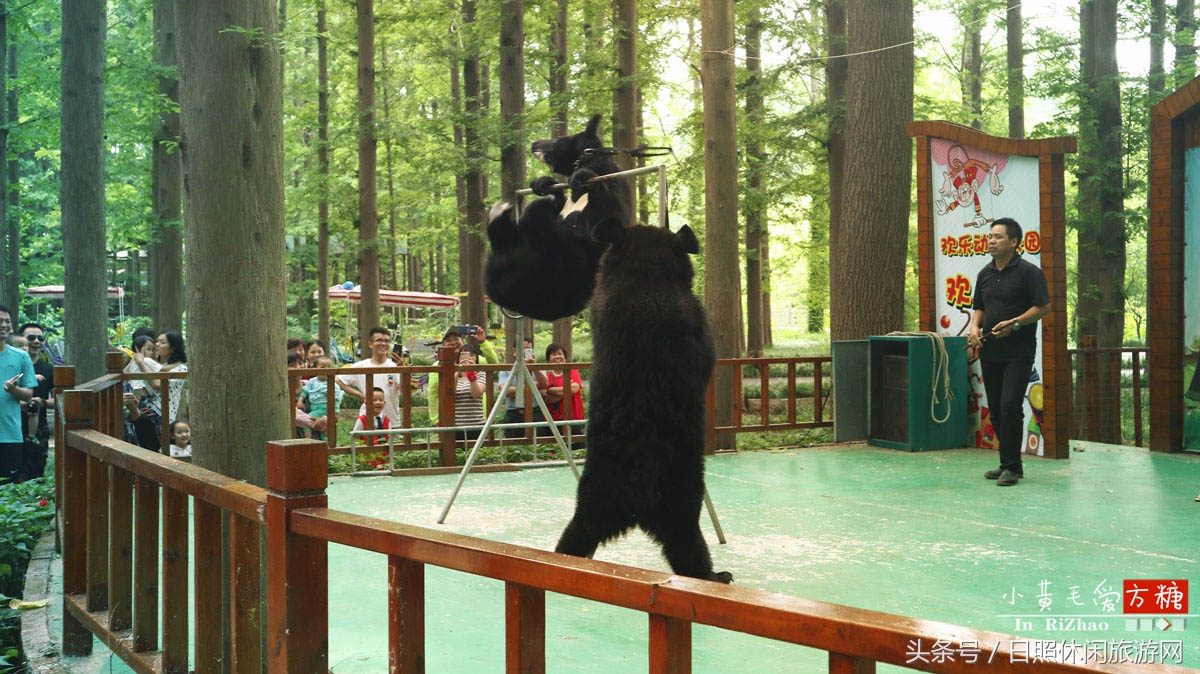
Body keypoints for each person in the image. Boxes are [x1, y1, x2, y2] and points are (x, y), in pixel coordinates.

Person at [967, 218, 1050, 487]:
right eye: (990, 236)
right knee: (996, 411)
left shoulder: (1029, 273)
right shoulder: (984, 274)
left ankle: (1011, 467)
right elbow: (979, 307)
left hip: (1019, 352)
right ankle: (1010, 463)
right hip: (991, 350)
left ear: (1014, 242)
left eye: (998, 237)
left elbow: (1043, 307)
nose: (991, 241)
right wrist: (974, 327)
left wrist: (1015, 323)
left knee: (1010, 406)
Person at [426, 324, 499, 428]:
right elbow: (433, 394)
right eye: (448, 340)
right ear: (443, 345)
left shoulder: (477, 360)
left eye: (456, 339)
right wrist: (437, 419)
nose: (453, 342)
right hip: (450, 419)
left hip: (479, 419)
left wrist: (483, 342)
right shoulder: (438, 365)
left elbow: (494, 365)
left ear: (462, 341)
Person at [336, 327, 404, 424]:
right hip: (367, 421)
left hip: (392, 421)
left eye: (387, 341)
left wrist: (402, 368)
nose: (383, 344)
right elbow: (337, 380)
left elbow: (404, 391)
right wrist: (359, 394)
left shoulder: (395, 366)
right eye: (379, 340)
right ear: (370, 344)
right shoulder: (361, 366)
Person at [0, 304, 36, 483]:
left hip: (10, 435)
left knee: (8, 488)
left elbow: (28, 394)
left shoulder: (21, 356)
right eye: (0, 321)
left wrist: (14, 390)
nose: (4, 325)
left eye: (7, 321)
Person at [17, 323, 54, 479]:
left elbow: (59, 400)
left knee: (36, 475)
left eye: (40, 338)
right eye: (31, 338)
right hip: (11, 427)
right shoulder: (11, 366)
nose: (36, 341)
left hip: (39, 429)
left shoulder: (48, 369)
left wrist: (42, 402)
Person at [498, 337, 548, 439]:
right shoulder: (506, 369)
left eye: (528, 349)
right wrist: (532, 386)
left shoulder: (538, 367)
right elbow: (505, 391)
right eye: (522, 349)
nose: (525, 352)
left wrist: (534, 368)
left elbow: (544, 384)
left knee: (538, 443)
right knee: (512, 444)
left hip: (535, 411)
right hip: (513, 412)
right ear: (514, 351)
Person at [126, 334, 164, 452]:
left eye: (153, 350)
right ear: (138, 350)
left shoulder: (136, 363)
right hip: (142, 400)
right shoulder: (146, 361)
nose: (152, 353)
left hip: (137, 400)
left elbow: (124, 374)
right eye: (148, 349)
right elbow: (163, 372)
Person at [543, 343, 584, 447]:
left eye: (560, 354)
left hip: (574, 417)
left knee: (576, 447)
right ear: (548, 359)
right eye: (553, 354)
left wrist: (551, 390)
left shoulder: (572, 371)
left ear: (565, 358)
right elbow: (545, 398)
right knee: (555, 449)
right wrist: (566, 390)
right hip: (554, 421)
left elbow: (574, 389)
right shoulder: (547, 377)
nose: (557, 357)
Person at [301, 355, 343, 439]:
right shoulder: (312, 382)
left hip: (327, 410)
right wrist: (300, 400)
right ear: (315, 369)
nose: (326, 370)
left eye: (329, 367)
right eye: (323, 367)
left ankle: (314, 441)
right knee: (309, 423)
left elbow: (336, 399)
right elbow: (305, 391)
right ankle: (310, 440)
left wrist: (336, 412)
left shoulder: (332, 383)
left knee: (307, 423)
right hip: (315, 410)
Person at [451, 344, 487, 441]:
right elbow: (449, 393)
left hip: (476, 424)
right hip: (456, 425)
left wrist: (471, 374)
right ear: (458, 358)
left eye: (472, 355)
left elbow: (476, 394)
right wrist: (458, 371)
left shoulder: (481, 374)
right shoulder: (453, 375)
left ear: (476, 358)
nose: (468, 358)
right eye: (464, 355)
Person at [154, 331, 189, 424]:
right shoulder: (152, 364)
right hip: (143, 412)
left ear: (172, 348)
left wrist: (141, 363)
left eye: (162, 342)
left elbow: (157, 385)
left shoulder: (181, 368)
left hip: (164, 414)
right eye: (157, 341)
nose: (157, 344)